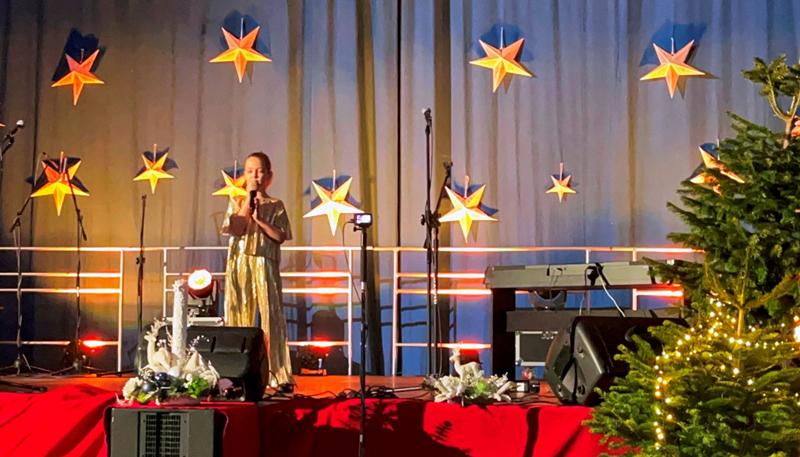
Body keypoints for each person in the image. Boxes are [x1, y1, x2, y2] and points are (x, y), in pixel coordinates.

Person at [222, 152, 293, 389]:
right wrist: (247, 203)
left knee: (271, 316)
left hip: (265, 263)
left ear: (269, 176)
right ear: (244, 175)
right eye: (250, 171)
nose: (255, 176)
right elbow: (236, 228)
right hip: (240, 263)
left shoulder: (276, 205)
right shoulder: (235, 201)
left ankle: (276, 373)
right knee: (239, 314)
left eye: (260, 171)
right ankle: (236, 371)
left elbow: (280, 236)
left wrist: (260, 219)